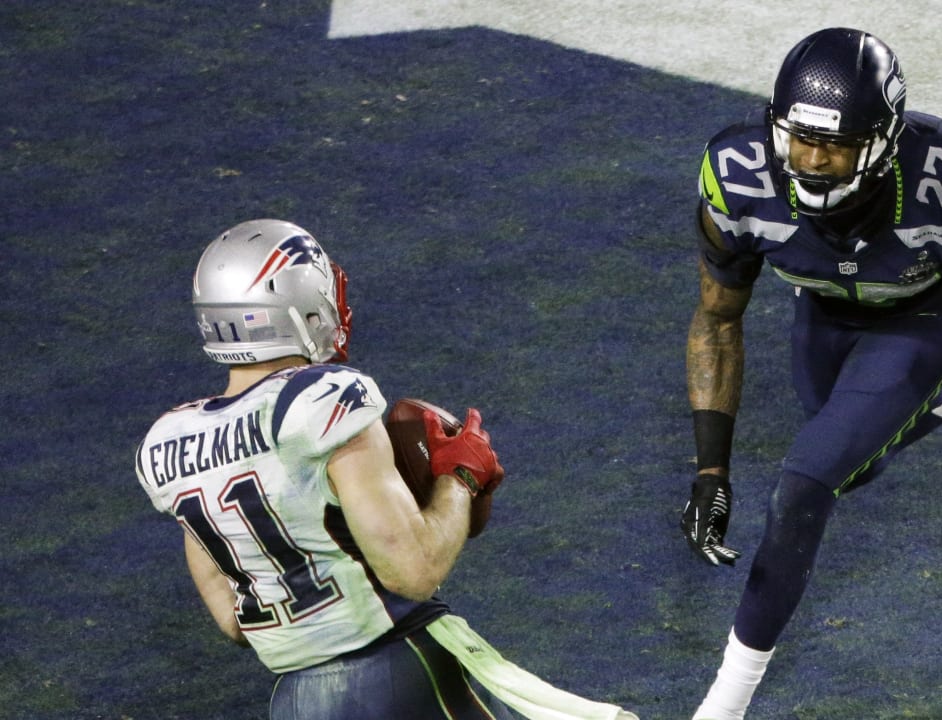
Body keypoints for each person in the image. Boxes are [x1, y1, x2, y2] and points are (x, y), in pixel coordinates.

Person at [678, 29, 942, 718]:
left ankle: (722, 705)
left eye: (836, 145)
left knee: (805, 483)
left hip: (923, 320)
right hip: (825, 314)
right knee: (854, 464)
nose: (814, 160)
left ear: (884, 141)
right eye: (801, 139)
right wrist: (711, 472)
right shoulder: (737, 173)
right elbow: (717, 319)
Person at [135, 219, 638, 720]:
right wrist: (459, 477)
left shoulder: (171, 443)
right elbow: (414, 571)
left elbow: (232, 620)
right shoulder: (325, 398)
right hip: (398, 675)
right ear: (298, 307)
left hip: (296, 701)